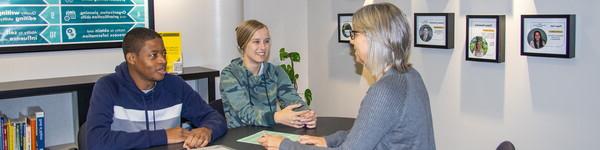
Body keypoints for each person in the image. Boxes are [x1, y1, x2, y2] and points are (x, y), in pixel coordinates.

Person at [258, 3, 436, 150]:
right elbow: (369, 131)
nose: (351, 41)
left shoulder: (385, 91)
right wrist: (329, 141)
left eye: (355, 34)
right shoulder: (410, 76)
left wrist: (284, 145)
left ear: (373, 37)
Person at [85, 28, 227, 149]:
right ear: (132, 58)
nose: (163, 60)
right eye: (154, 55)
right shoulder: (108, 87)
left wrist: (206, 130)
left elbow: (214, 117)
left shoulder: (175, 85)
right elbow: (95, 141)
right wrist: (163, 136)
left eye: (164, 53)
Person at [220, 20, 317, 129]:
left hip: (270, 136)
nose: (263, 47)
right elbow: (245, 113)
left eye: (266, 41)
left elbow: (292, 100)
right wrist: (276, 117)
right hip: (239, 137)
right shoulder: (230, 74)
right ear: (243, 45)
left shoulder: (276, 72)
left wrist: (306, 114)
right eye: (256, 41)